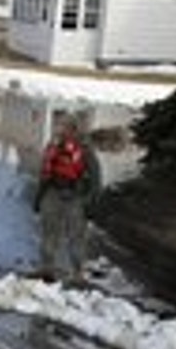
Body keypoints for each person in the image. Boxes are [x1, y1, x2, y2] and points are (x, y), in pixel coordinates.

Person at [34, 110, 104, 283]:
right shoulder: (53, 146)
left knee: (76, 237)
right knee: (49, 232)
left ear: (73, 129)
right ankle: (47, 268)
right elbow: (44, 173)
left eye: (63, 126)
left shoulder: (85, 150)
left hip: (76, 196)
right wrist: (39, 197)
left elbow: (96, 179)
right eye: (59, 126)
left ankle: (78, 274)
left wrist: (91, 204)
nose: (59, 129)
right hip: (53, 192)